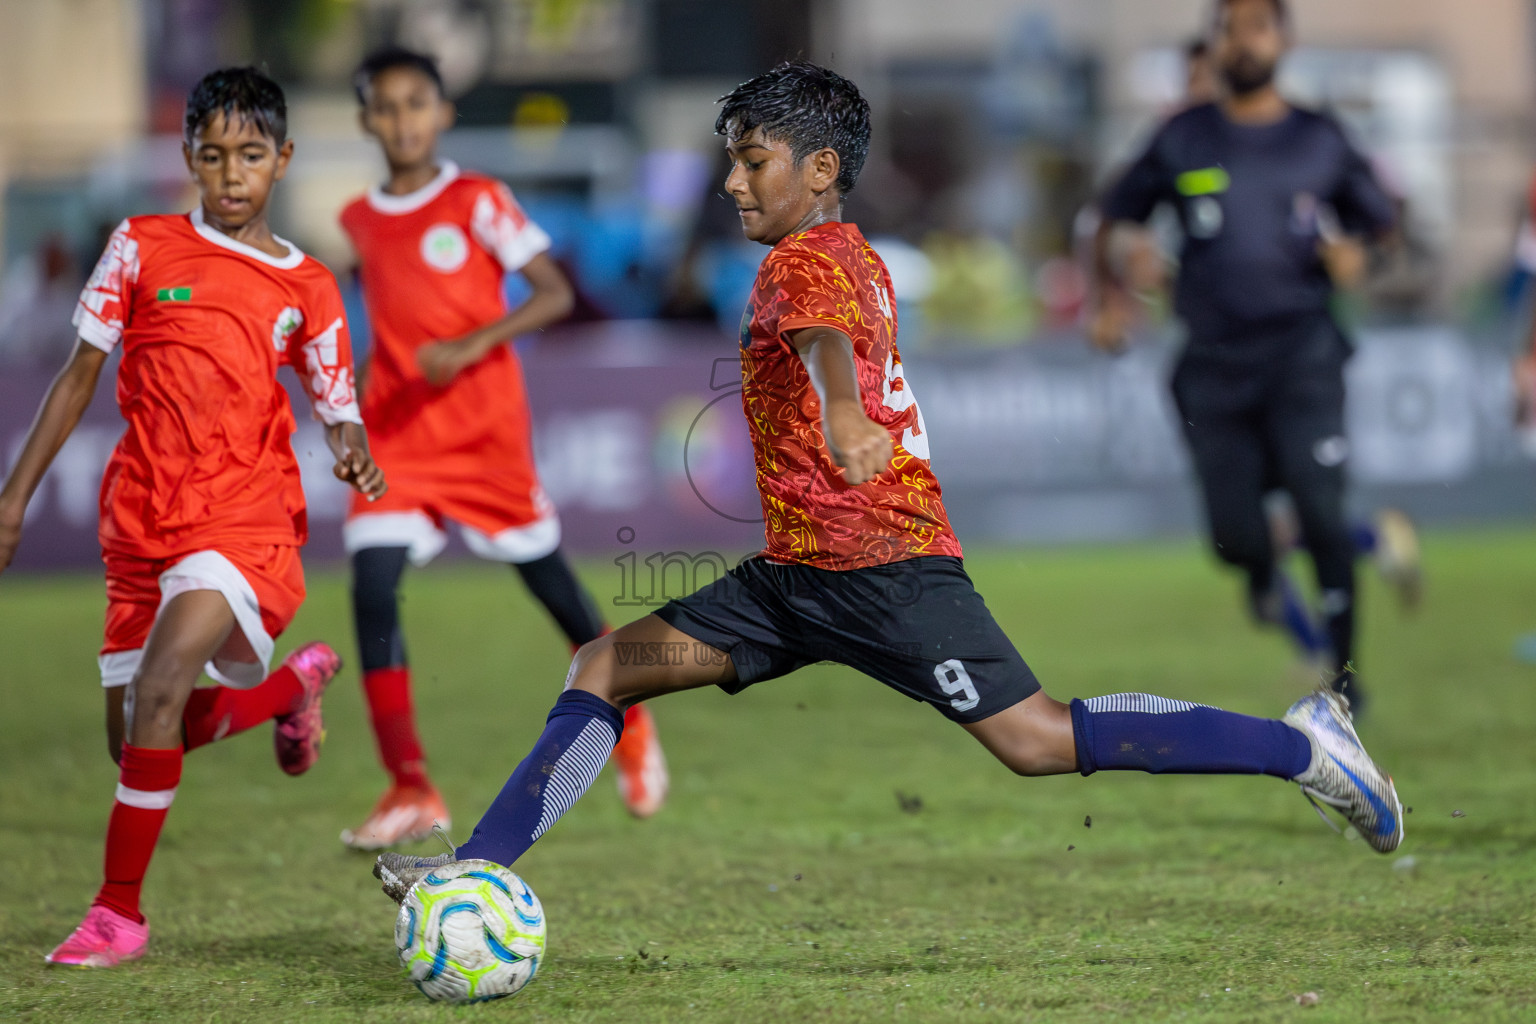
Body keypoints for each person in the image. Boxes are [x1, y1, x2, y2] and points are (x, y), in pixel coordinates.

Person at [373, 61, 1402, 903]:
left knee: (1038, 740)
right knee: (605, 662)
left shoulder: (803, 263)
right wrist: (839, 409)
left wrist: (843, 409)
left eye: (752, 161)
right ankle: (474, 874)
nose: (733, 183)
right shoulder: (842, 248)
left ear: (819, 169)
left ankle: (1298, 747)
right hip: (796, 580)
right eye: (730, 161)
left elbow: (823, 342)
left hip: (887, 570)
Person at [0, 67, 386, 967]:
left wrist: (351, 445)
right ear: (188, 159)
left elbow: (337, 401)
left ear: (282, 160)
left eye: (250, 154)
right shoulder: (138, 245)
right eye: (212, 156)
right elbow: (77, 377)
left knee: (164, 689)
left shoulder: (310, 286)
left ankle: (116, 914)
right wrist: (13, 498)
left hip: (243, 518)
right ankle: (290, 690)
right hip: (139, 521)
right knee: (138, 728)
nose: (231, 174)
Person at [337, 47, 667, 849]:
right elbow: (391, 320)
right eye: (387, 106)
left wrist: (470, 343)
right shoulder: (359, 218)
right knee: (372, 585)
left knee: (554, 591)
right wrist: (350, 397)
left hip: (485, 437)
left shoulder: (478, 199)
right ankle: (410, 785)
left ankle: (634, 723)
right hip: (401, 437)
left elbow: (553, 291)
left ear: (444, 113)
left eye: (418, 102)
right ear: (366, 121)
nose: (404, 119)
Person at [1089, 0, 1404, 715]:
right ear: (1217, 41)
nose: (1244, 38)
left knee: (1320, 509)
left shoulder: (1320, 138)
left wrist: (1363, 255)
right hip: (1213, 364)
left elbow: (1385, 228)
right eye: (1231, 26)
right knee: (1232, 540)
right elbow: (1113, 213)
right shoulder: (1183, 136)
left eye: (1259, 25)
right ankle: (1260, 568)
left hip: (1303, 355)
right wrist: (1114, 285)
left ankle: (1346, 676)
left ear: (1283, 39)